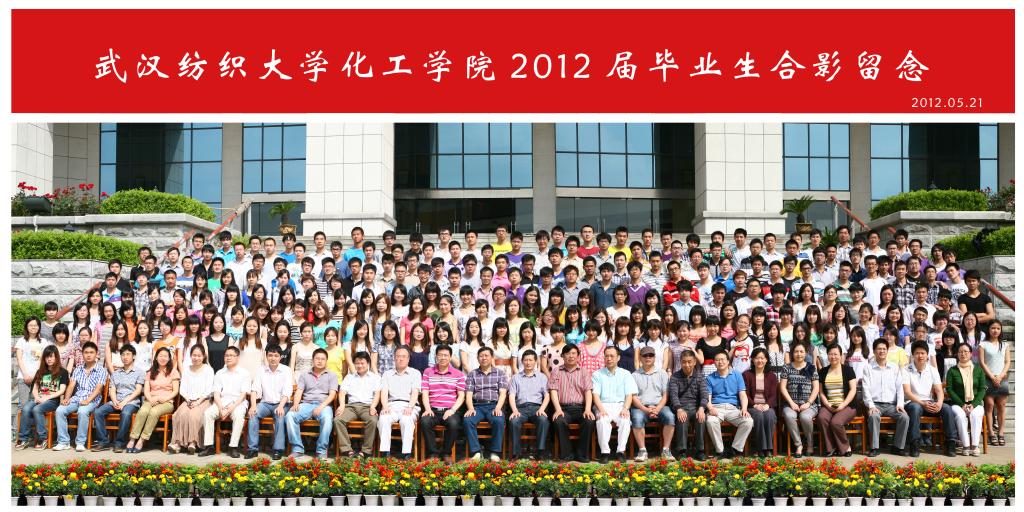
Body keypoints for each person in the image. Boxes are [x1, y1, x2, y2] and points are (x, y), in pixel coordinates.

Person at [903, 340, 957, 458]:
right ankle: (914, 443)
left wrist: (939, 402)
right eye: (917, 353)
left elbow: (939, 390)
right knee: (915, 408)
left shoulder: (932, 370)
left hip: (929, 402)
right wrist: (922, 403)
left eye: (923, 353)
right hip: (913, 402)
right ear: (913, 355)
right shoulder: (906, 369)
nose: (920, 356)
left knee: (947, 408)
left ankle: (951, 442)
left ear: (927, 355)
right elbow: (907, 392)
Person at [53, 341, 108, 452]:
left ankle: (80, 442)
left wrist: (88, 400)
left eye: (91, 352)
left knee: (82, 411)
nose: (88, 355)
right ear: (82, 354)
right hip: (77, 398)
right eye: (86, 352)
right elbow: (71, 385)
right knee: (60, 410)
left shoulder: (102, 370)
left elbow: (99, 389)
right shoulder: (78, 369)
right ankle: (63, 442)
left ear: (96, 354)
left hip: (92, 400)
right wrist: (66, 398)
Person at [285, 348, 338, 460]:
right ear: (313, 360)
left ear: (326, 361)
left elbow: (332, 394)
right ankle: (297, 449)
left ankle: (321, 451)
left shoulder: (332, 375)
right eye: (317, 358)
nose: (320, 361)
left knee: (327, 419)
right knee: (290, 415)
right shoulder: (304, 375)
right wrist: (296, 403)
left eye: (323, 359)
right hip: (306, 404)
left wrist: (321, 407)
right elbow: (299, 391)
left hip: (324, 405)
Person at [90, 344, 144, 452]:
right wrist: (114, 400)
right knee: (98, 412)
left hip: (131, 402)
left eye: (128, 354)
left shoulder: (139, 372)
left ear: (133, 356)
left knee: (126, 413)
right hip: (116, 401)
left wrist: (124, 402)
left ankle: (119, 443)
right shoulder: (116, 373)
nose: (125, 357)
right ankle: (103, 441)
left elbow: (138, 391)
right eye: (123, 355)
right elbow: (112, 389)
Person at [199, 346, 251, 458]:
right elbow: (216, 393)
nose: (228, 358)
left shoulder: (244, 373)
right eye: (226, 355)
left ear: (238, 357)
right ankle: (209, 446)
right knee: (208, 413)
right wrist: (220, 408)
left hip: (238, 403)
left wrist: (231, 408)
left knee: (238, 415)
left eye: (231, 355)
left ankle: (233, 447)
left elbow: (243, 395)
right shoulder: (219, 373)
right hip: (221, 402)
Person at [124, 346, 178, 453]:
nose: (163, 358)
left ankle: (142, 440)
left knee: (154, 412)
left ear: (169, 359)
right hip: (151, 400)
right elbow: (146, 390)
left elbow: (175, 391)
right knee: (143, 411)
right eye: (160, 356)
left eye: (165, 356)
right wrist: (150, 399)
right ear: (156, 358)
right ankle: (133, 438)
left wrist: (165, 399)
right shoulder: (150, 372)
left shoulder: (173, 372)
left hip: (166, 402)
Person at [862, 338, 909, 457]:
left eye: (884, 349)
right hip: (876, 404)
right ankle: (874, 447)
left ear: (887, 351)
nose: (882, 351)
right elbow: (865, 389)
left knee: (904, 417)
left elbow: (899, 388)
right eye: (879, 349)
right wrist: (871, 406)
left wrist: (900, 404)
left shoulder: (894, 367)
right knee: (873, 416)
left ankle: (897, 447)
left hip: (892, 405)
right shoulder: (868, 368)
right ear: (874, 351)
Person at [549, 344, 596, 462]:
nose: (571, 356)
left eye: (573, 353)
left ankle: (581, 454)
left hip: (581, 408)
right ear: (562, 356)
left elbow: (588, 391)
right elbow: (553, 391)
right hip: (563, 408)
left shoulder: (584, 371)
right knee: (559, 421)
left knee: (589, 421)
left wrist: (588, 409)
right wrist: (558, 409)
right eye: (567, 353)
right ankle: (567, 454)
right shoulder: (556, 371)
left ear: (578, 356)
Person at [245, 344, 293, 460]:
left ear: (280, 357)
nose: (273, 358)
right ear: (266, 356)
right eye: (270, 355)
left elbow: (287, 392)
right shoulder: (261, 370)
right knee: (253, 414)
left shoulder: (286, 370)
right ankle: (252, 449)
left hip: (281, 403)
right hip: (265, 404)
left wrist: (281, 406)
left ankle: (278, 449)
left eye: (276, 356)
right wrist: (253, 406)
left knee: (280, 416)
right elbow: (254, 389)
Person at [419, 345, 466, 461]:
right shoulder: (428, 372)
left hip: (450, 410)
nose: (443, 358)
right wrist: (427, 409)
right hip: (433, 409)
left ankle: (446, 453)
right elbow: (425, 392)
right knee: (425, 421)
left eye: (446, 355)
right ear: (436, 356)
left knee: (454, 423)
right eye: (440, 355)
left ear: (450, 357)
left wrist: (452, 410)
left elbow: (461, 396)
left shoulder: (458, 374)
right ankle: (433, 453)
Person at [15, 346, 67, 450]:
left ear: (56, 357)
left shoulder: (63, 372)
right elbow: (35, 388)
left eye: (52, 356)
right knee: (26, 408)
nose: (49, 359)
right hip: (39, 399)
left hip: (53, 400)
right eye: (47, 357)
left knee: (37, 409)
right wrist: (37, 397)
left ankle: (43, 438)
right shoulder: (40, 371)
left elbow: (62, 390)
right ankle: (24, 438)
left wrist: (46, 398)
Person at [704, 350, 753, 459]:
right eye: (717, 360)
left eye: (722, 359)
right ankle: (720, 451)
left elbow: (742, 395)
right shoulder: (709, 378)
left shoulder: (737, 375)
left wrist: (744, 409)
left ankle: (734, 449)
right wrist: (710, 408)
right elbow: (707, 398)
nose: (720, 362)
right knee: (711, 421)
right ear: (714, 363)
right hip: (717, 408)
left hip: (733, 408)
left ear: (728, 361)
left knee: (748, 421)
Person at [464, 346, 509, 461]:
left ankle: (494, 452)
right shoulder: (472, 374)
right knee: (468, 420)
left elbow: (503, 393)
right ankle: (476, 452)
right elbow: (468, 394)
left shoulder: (500, 373)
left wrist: (498, 408)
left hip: (494, 406)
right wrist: (470, 408)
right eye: (481, 356)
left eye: (486, 355)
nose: (484, 358)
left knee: (499, 420)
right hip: (477, 406)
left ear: (492, 357)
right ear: (477, 358)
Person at [630, 345, 674, 461]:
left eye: (651, 355)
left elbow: (665, 395)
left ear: (655, 357)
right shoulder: (634, 375)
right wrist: (645, 409)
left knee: (670, 416)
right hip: (641, 407)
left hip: (660, 405)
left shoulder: (662, 373)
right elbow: (633, 397)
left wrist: (657, 408)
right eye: (645, 355)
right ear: (640, 358)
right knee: (637, 418)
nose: (648, 357)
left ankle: (666, 450)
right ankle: (642, 450)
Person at [334, 351, 382, 458]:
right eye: (357, 363)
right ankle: (347, 449)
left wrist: (373, 406)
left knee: (373, 420)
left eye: (362, 363)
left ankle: (366, 451)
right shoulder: (349, 377)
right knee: (338, 420)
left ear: (368, 363)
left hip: (367, 407)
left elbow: (377, 394)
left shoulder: (375, 378)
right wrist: (342, 405)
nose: (359, 365)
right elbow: (342, 392)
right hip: (351, 407)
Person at [377, 346, 421, 459]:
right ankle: (385, 453)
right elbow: (384, 392)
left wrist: (410, 407)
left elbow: (415, 393)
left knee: (407, 419)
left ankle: (406, 454)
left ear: (408, 358)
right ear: (394, 358)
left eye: (403, 356)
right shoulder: (387, 374)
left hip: (409, 405)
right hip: (391, 405)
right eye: (398, 356)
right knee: (384, 418)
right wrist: (385, 407)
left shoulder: (415, 373)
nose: (400, 359)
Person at [815, 344, 859, 457]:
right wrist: (827, 404)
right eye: (830, 354)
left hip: (847, 405)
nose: (833, 356)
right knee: (822, 418)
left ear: (840, 355)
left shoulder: (848, 370)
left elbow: (853, 390)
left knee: (836, 422)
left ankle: (845, 447)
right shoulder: (823, 371)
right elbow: (821, 392)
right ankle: (831, 448)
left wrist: (843, 405)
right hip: (829, 405)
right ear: (827, 355)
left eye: (836, 354)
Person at [508, 349, 550, 460]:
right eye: (526, 360)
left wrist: (542, 409)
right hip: (520, 409)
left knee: (543, 420)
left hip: (537, 408)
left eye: (531, 360)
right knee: (514, 421)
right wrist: (514, 410)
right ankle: (517, 453)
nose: (528, 362)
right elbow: (511, 395)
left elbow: (547, 395)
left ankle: (540, 452)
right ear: (522, 361)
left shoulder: (542, 377)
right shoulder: (515, 377)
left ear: (535, 361)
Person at [946, 342, 987, 457]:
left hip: (976, 403)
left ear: (971, 354)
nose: (963, 354)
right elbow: (949, 389)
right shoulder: (952, 370)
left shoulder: (978, 370)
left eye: (965, 351)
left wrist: (974, 404)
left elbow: (982, 389)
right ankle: (965, 445)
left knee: (975, 415)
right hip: (957, 404)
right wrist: (961, 404)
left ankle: (975, 445)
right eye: (960, 352)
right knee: (960, 415)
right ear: (957, 354)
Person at [780, 340, 819, 458]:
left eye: (801, 351)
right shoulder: (787, 367)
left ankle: (810, 444)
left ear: (806, 353)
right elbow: (783, 387)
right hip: (790, 404)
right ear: (792, 353)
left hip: (809, 404)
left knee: (805, 417)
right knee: (789, 415)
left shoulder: (811, 367)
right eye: (796, 351)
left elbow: (816, 388)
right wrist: (791, 403)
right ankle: (799, 445)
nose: (799, 354)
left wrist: (808, 403)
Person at [668, 349, 708, 460]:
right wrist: (679, 409)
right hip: (681, 406)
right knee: (682, 419)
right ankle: (682, 451)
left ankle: (700, 451)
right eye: (684, 362)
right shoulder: (675, 377)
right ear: (680, 362)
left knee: (701, 418)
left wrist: (701, 408)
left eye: (689, 362)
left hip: (696, 407)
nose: (687, 365)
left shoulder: (700, 376)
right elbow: (673, 395)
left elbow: (704, 395)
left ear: (694, 362)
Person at [979, 320, 1011, 447]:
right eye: (993, 328)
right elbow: (982, 362)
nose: (995, 330)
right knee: (989, 405)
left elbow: (1007, 362)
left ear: (1000, 330)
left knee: (1001, 406)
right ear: (989, 329)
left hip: (1002, 378)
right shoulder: (983, 344)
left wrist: (1001, 375)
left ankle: (1001, 433)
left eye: (998, 328)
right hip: (988, 378)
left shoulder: (1005, 345)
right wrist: (992, 377)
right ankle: (991, 433)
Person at [742, 347, 778, 457]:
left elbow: (773, 395)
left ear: (766, 360)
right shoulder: (746, 375)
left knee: (770, 416)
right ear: (753, 359)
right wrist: (755, 405)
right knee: (758, 416)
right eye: (757, 358)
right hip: (752, 406)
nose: (760, 360)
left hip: (767, 406)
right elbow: (745, 394)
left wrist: (767, 405)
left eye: (762, 358)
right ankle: (760, 448)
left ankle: (768, 448)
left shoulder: (771, 376)